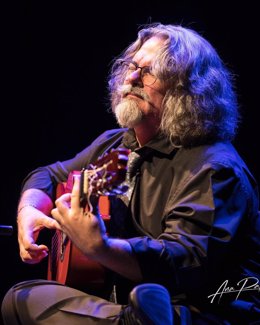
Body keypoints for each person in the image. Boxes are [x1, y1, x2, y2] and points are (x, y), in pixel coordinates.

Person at [1, 23, 260, 325]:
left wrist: (101, 247)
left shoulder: (215, 167)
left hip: (200, 311)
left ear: (187, 90)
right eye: (132, 67)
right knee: (20, 299)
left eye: (150, 72)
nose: (132, 78)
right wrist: (29, 210)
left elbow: (185, 261)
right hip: (125, 302)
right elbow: (48, 175)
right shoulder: (114, 143)